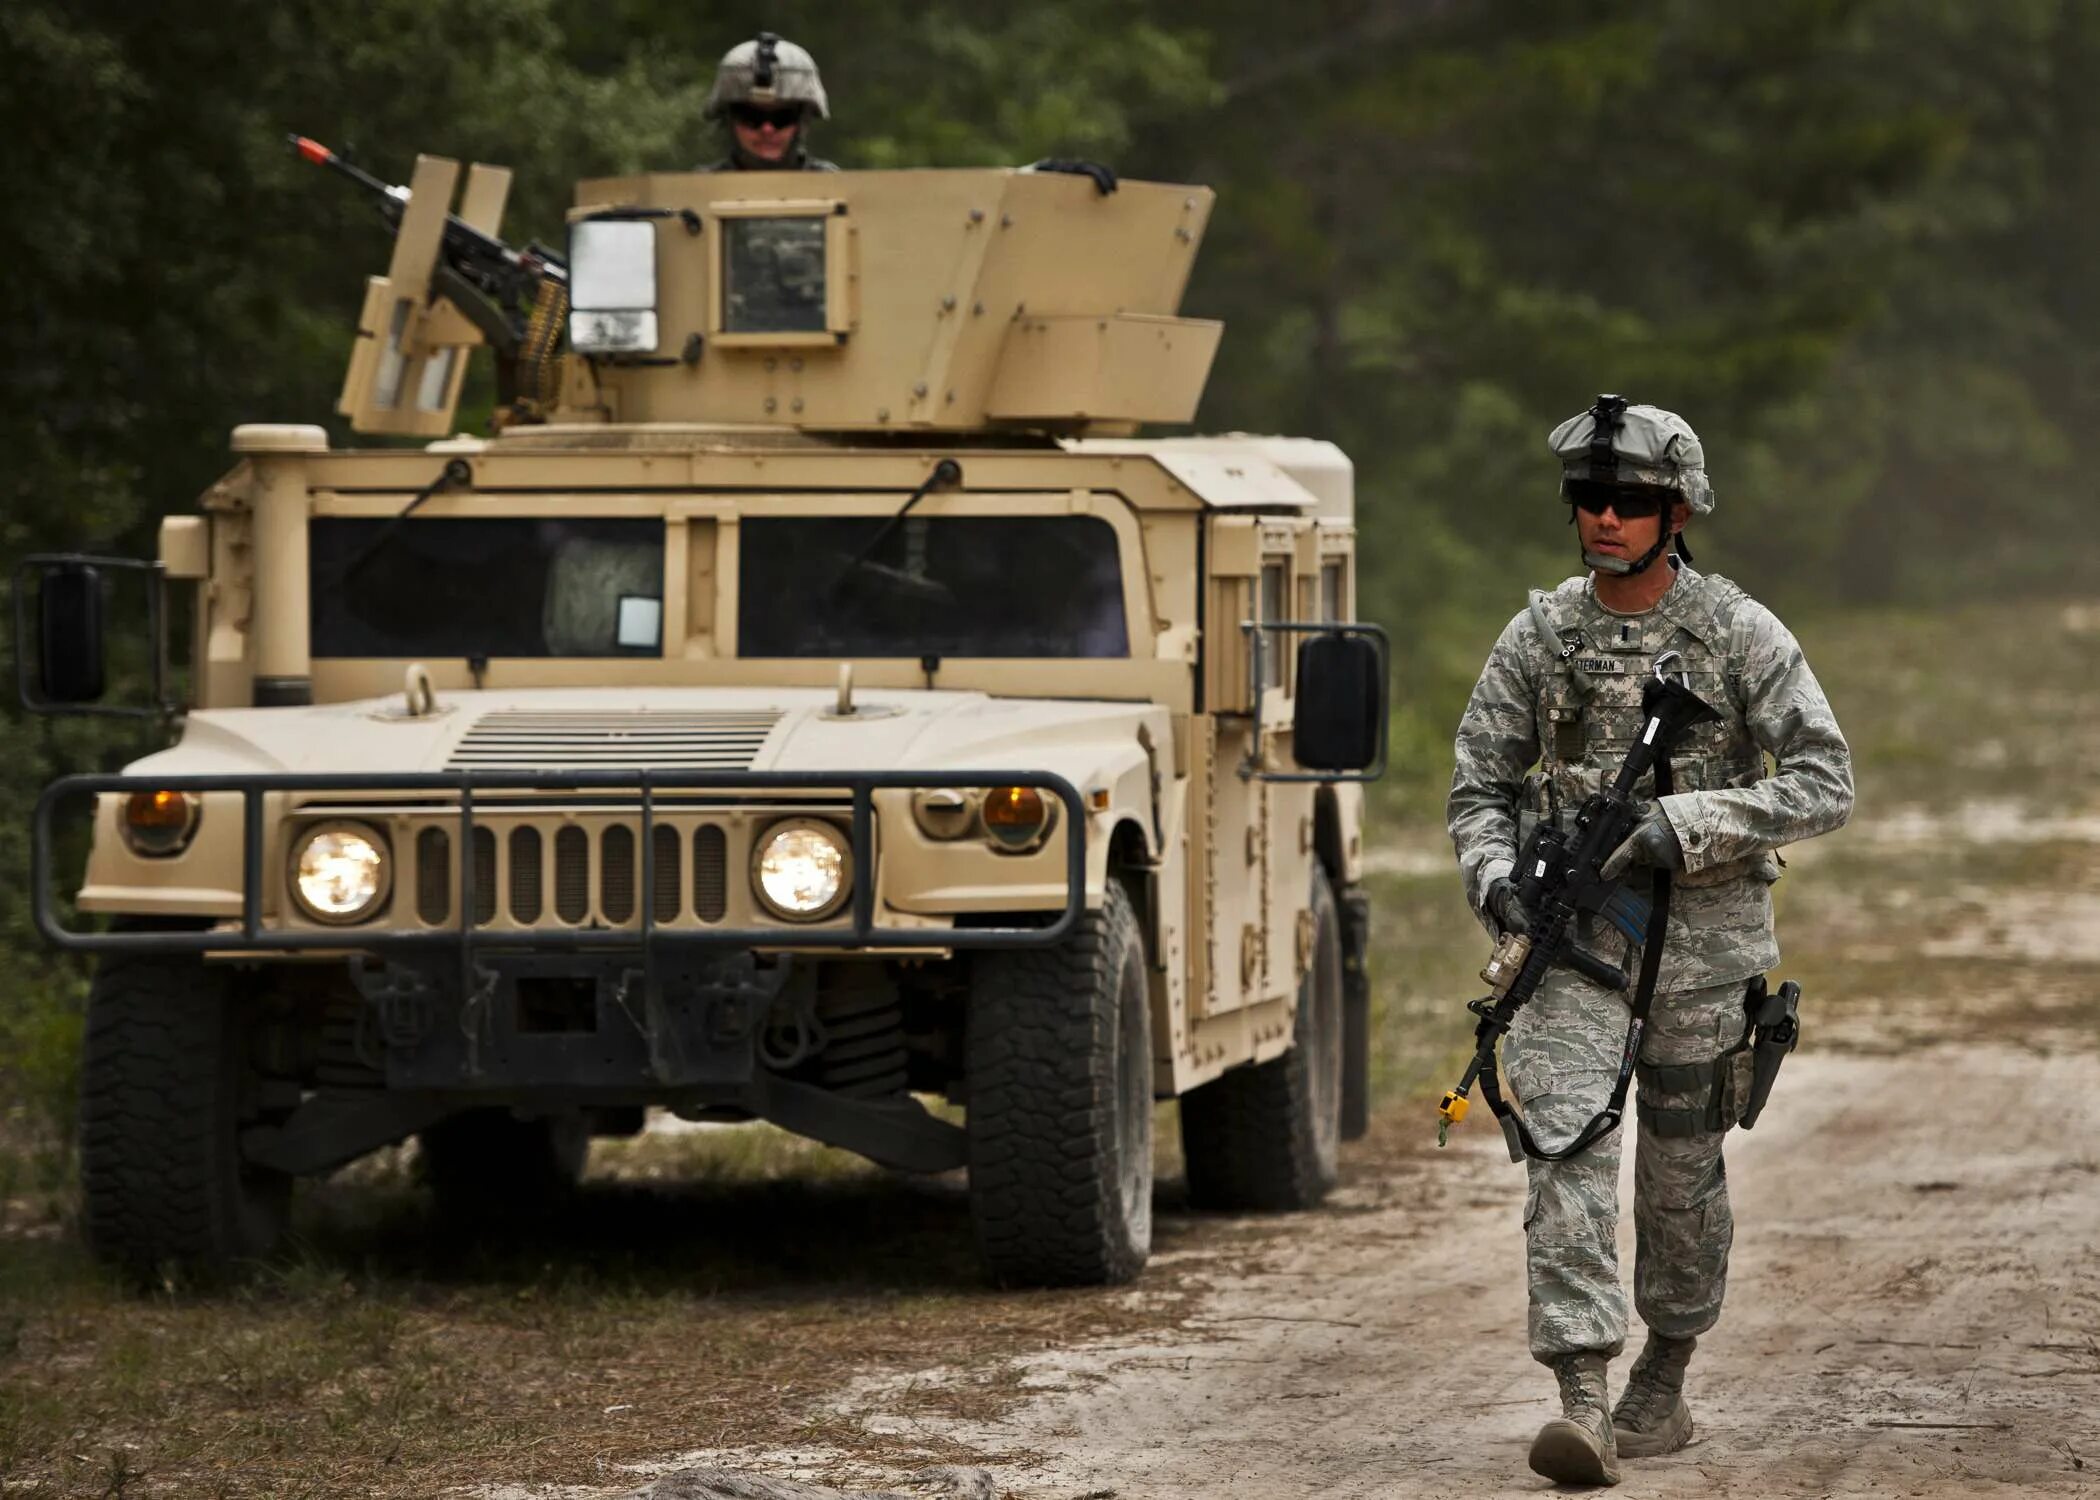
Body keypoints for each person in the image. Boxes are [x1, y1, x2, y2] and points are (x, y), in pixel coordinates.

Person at [1446, 396, 1853, 1486]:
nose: (1606, 519)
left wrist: (1684, 826)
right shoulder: (1540, 638)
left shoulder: (1736, 634)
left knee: (1681, 1178)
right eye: (1590, 499)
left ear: (1677, 512)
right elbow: (1478, 788)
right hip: (1575, 945)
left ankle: (1663, 1380)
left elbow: (1825, 781)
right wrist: (1499, 883)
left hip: (1705, 949)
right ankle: (1581, 1392)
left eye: (1630, 501)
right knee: (1565, 1150)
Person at [698, 31, 839, 172]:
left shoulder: (836, 186)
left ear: (802, 121)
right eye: (751, 116)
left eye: (782, 117)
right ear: (729, 119)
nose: (767, 129)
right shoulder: (700, 188)